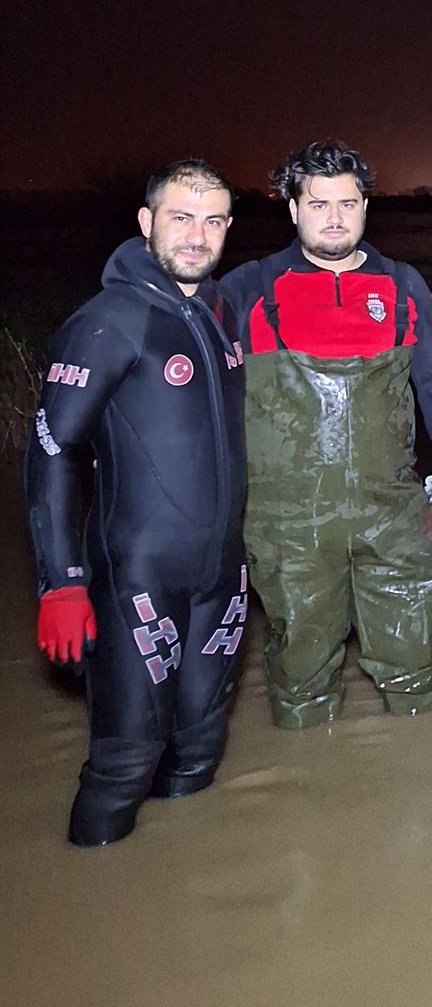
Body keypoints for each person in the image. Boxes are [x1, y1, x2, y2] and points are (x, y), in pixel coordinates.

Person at [220, 141, 432, 729]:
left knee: (417, 667)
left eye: (348, 203)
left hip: (390, 512)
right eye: (319, 203)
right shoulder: (246, 289)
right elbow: (193, 385)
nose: (334, 217)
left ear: (365, 207)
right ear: (292, 209)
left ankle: (420, 767)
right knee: (299, 675)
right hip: (286, 521)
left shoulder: (402, 285)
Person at [25, 159, 248, 845]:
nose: (196, 234)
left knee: (198, 751)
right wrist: (60, 583)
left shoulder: (219, 310)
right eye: (180, 217)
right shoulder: (109, 320)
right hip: (138, 577)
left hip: (220, 577)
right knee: (124, 762)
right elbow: (52, 449)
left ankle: (183, 900)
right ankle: (96, 891)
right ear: (147, 222)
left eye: (212, 221)